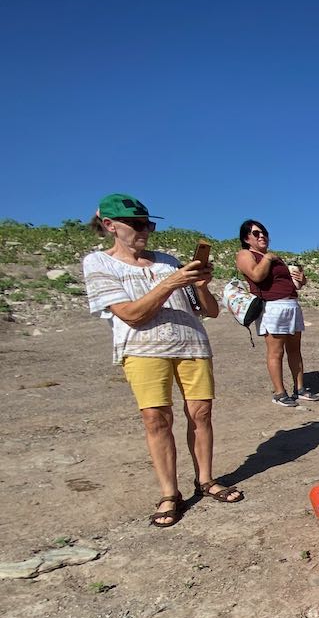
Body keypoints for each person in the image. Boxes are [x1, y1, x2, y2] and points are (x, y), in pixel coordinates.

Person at [82, 193, 244, 527]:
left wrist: (200, 285)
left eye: (148, 224)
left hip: (191, 345)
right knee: (157, 419)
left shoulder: (168, 261)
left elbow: (210, 311)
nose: (144, 230)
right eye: (136, 224)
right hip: (142, 348)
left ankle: (206, 479)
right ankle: (170, 493)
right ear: (110, 226)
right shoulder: (99, 263)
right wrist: (170, 283)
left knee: (201, 414)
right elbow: (131, 314)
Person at [235, 220, 317, 407]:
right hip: (272, 307)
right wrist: (268, 259)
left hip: (291, 304)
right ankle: (280, 392)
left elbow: (285, 282)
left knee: (295, 350)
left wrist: (301, 281)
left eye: (263, 232)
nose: (262, 236)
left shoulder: (272, 257)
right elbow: (256, 275)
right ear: (246, 238)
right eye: (256, 233)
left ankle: (300, 388)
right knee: (276, 351)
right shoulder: (246, 254)